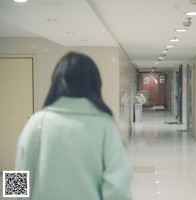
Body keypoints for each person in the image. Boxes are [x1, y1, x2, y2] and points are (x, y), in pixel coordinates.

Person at [15, 52, 132, 200]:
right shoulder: (104, 125)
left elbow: (18, 177)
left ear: (56, 82)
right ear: (95, 83)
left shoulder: (35, 122)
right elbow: (117, 185)